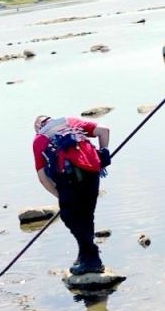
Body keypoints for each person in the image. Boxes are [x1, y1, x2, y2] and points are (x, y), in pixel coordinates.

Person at [33, 114, 111, 274]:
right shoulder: (70, 121)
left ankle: (92, 259)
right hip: (92, 170)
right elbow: (104, 130)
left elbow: (42, 178)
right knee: (86, 216)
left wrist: (60, 195)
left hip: (70, 176)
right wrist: (103, 153)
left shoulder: (39, 139)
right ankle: (85, 256)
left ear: (38, 127)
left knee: (70, 216)